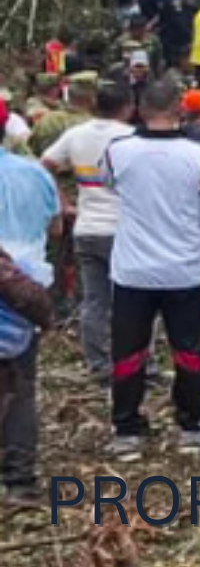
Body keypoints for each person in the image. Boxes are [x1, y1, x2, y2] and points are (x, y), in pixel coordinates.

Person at [101, 79, 200, 458]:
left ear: (139, 110)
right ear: (181, 110)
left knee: (129, 352)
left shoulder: (117, 152)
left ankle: (126, 430)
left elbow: (108, 184)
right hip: (185, 271)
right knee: (189, 351)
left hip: (132, 272)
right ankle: (190, 427)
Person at [40, 82, 135, 382]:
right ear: (127, 107)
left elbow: (45, 164)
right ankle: (130, 360)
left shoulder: (76, 135)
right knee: (130, 300)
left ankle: (98, 363)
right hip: (124, 230)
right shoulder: (130, 137)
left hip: (88, 228)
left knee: (94, 300)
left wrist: (62, 202)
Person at [0, 120, 59, 500]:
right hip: (23, 294)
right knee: (21, 386)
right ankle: (20, 478)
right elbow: (55, 228)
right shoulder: (35, 174)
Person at [0, 247, 54, 508]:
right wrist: (45, 317)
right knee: (19, 401)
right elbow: (24, 294)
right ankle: (20, 483)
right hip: (10, 341)